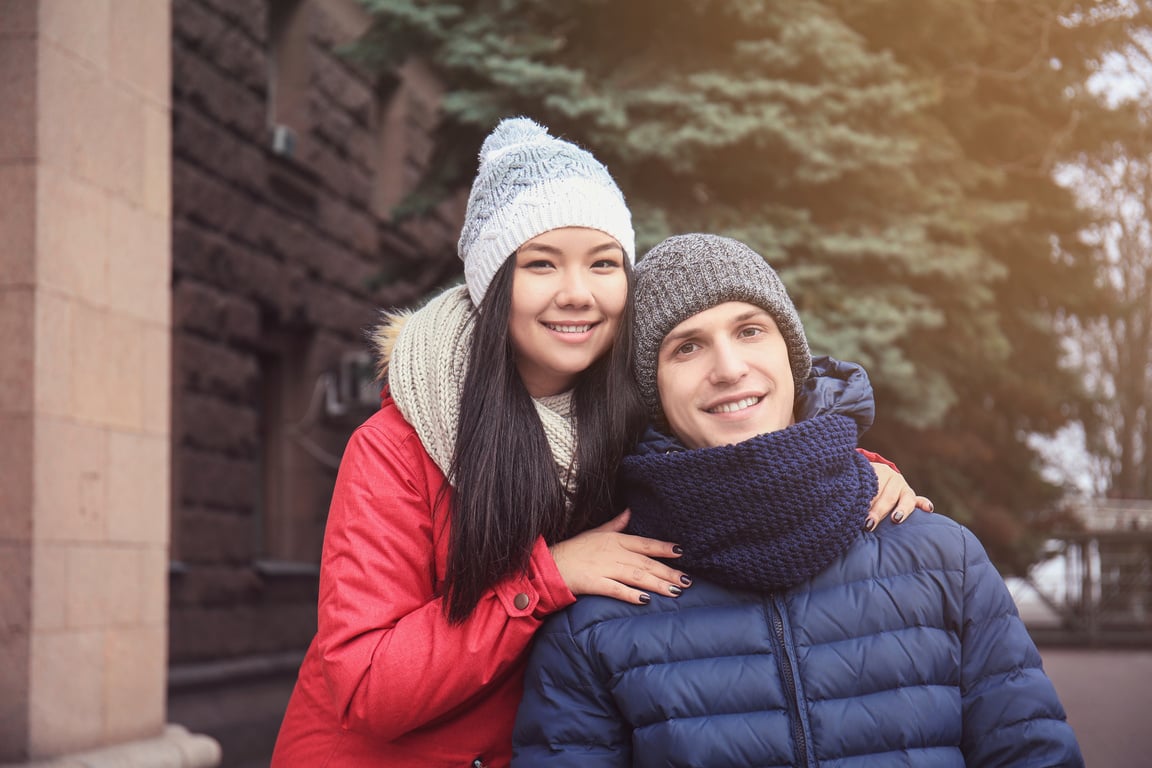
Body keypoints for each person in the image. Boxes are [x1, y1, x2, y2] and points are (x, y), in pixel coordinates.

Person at [270, 121, 925, 768]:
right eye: (541, 264)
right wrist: (544, 579)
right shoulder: (401, 442)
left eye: (603, 263)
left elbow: (741, 461)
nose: (577, 294)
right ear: (493, 283)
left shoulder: (633, 412)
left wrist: (851, 473)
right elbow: (365, 685)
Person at [512, 234, 1083, 767]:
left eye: (751, 330)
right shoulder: (595, 618)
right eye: (687, 347)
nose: (730, 369)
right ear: (651, 392)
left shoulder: (943, 559)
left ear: (791, 354)